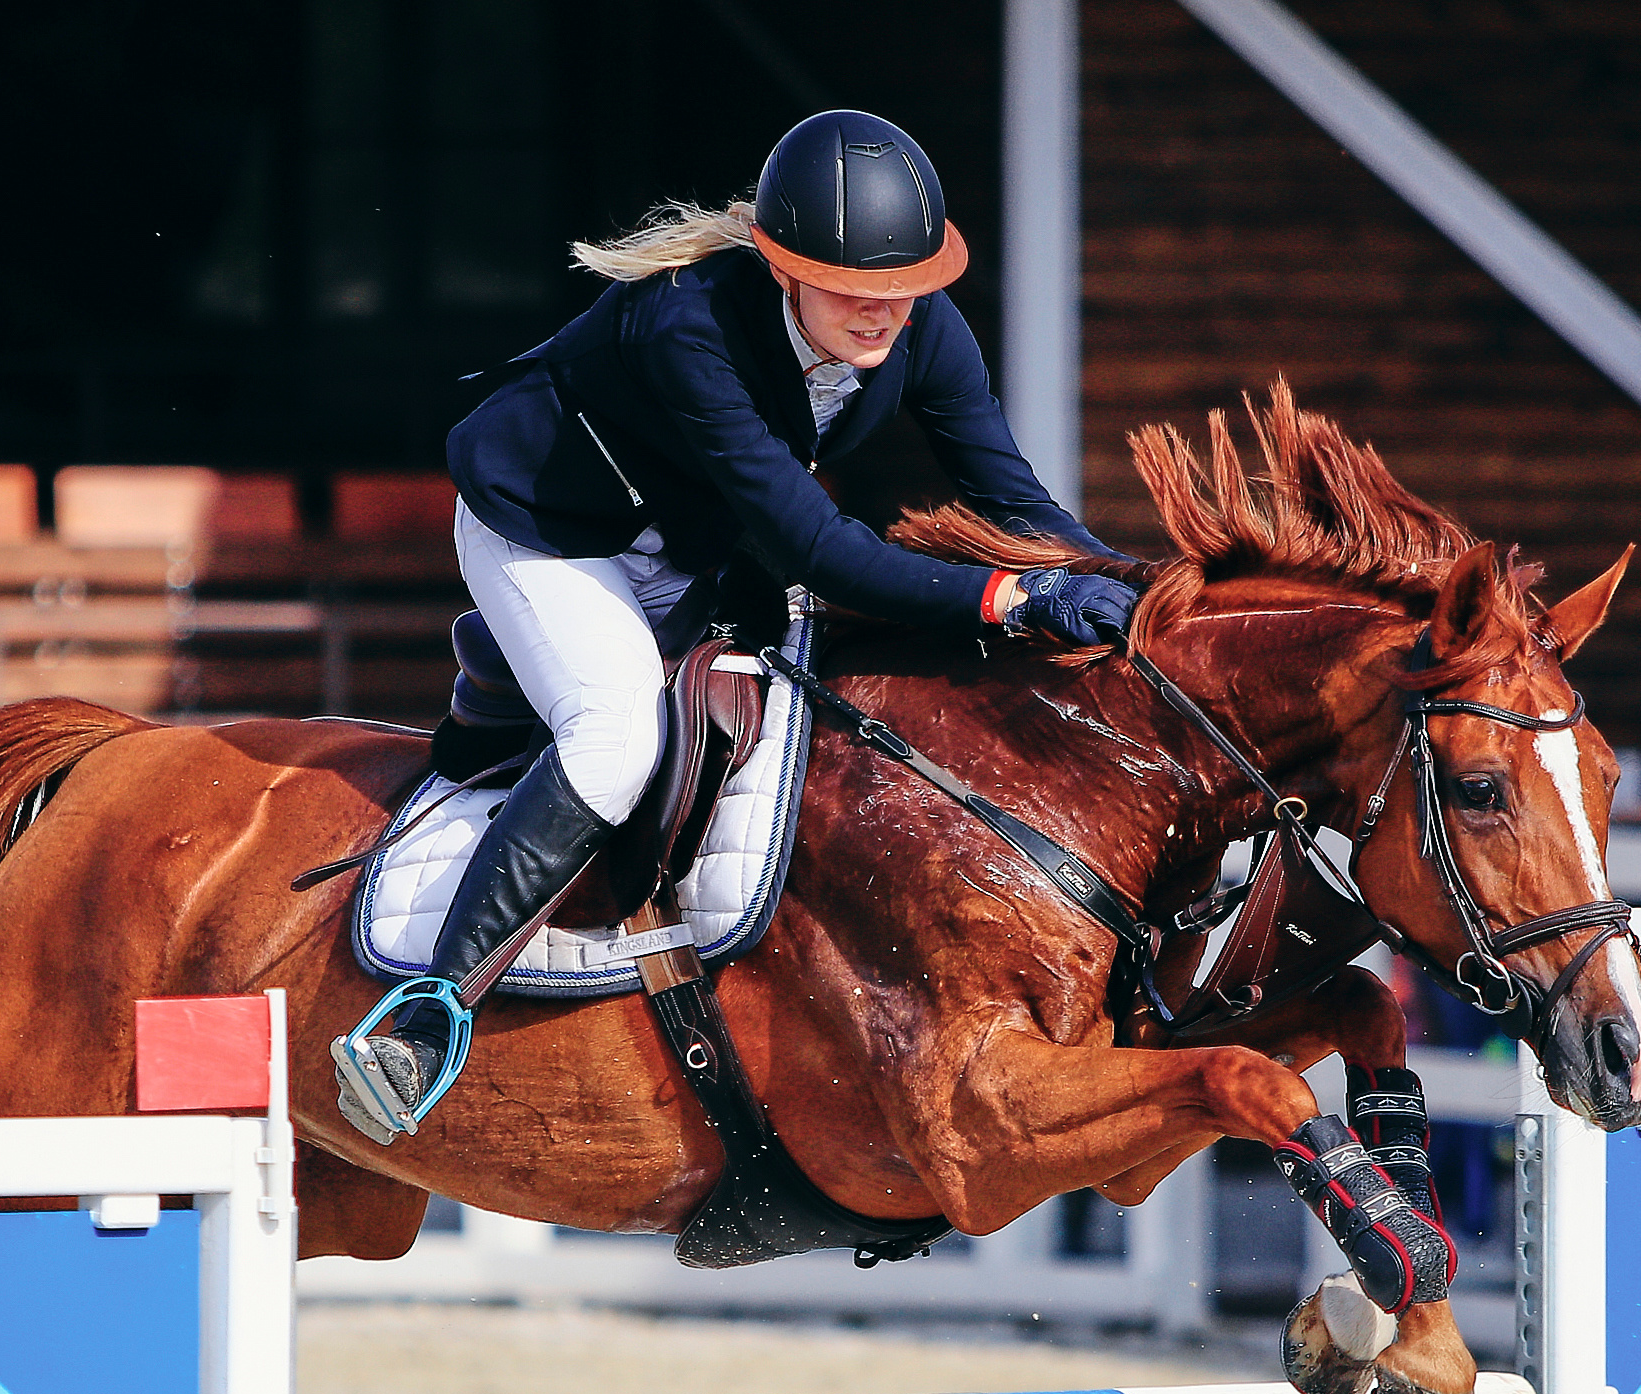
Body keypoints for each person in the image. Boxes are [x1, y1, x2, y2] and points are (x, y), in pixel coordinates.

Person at [333, 109, 1142, 1142]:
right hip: (547, 530)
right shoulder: (690, 324)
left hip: (691, 540)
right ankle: (425, 1017)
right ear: (780, 266)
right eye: (850, 289)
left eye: (903, 286)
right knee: (619, 735)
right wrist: (1011, 599)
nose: (883, 312)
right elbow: (820, 548)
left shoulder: (924, 326)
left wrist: (1136, 591)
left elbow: (1010, 497)